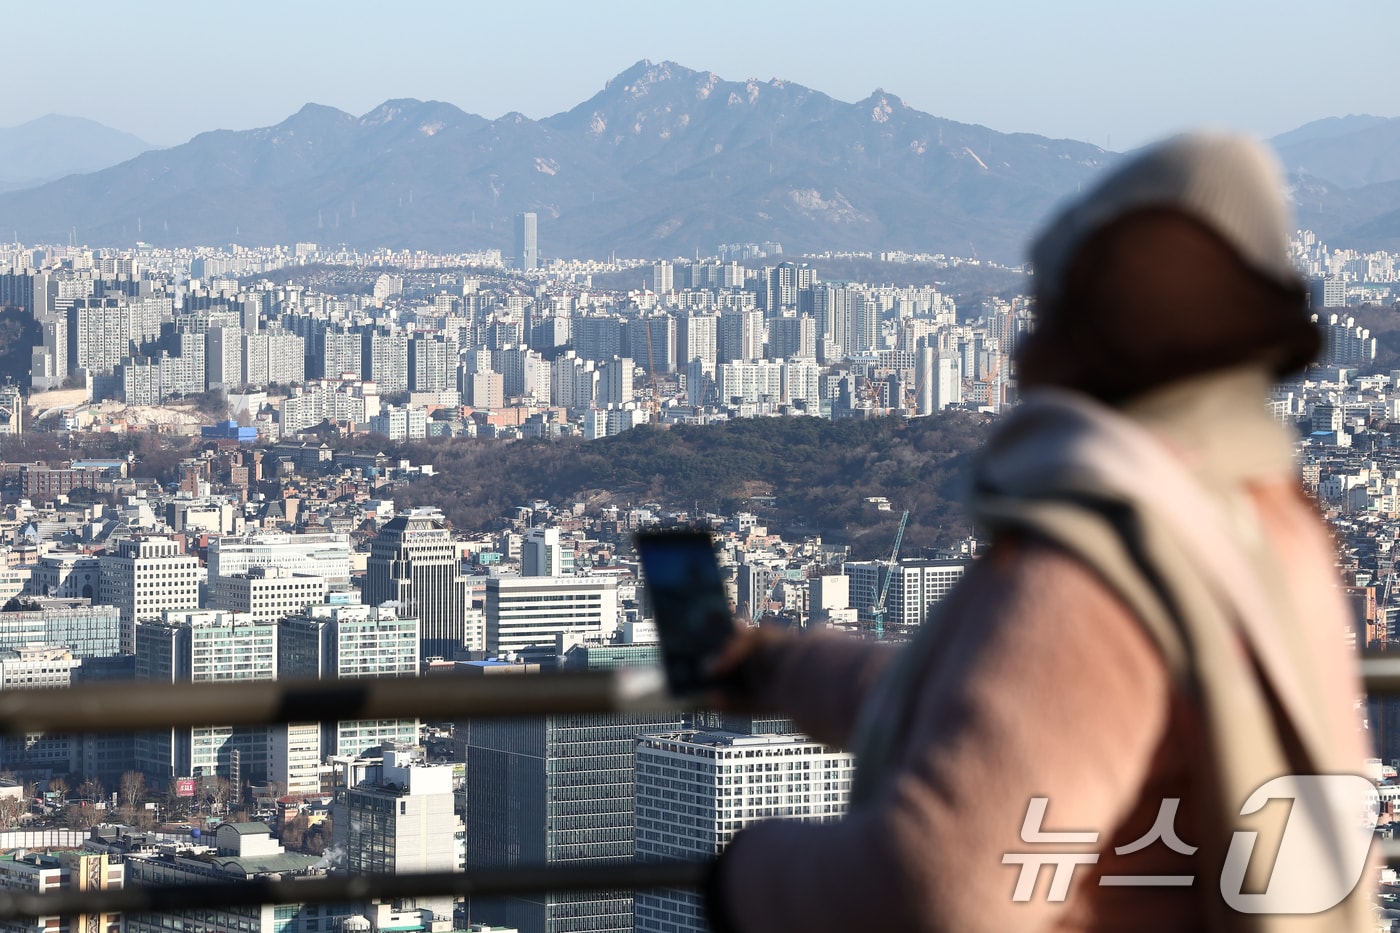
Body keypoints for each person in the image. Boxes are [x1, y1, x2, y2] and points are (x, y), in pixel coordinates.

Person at [701, 132, 1373, 932]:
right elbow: (1016, 714)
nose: (1023, 338)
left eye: (1049, 301)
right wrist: (784, 669)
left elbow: (935, 883)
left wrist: (748, 873)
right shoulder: (1270, 526)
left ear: (1094, 324)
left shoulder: (1108, 562)